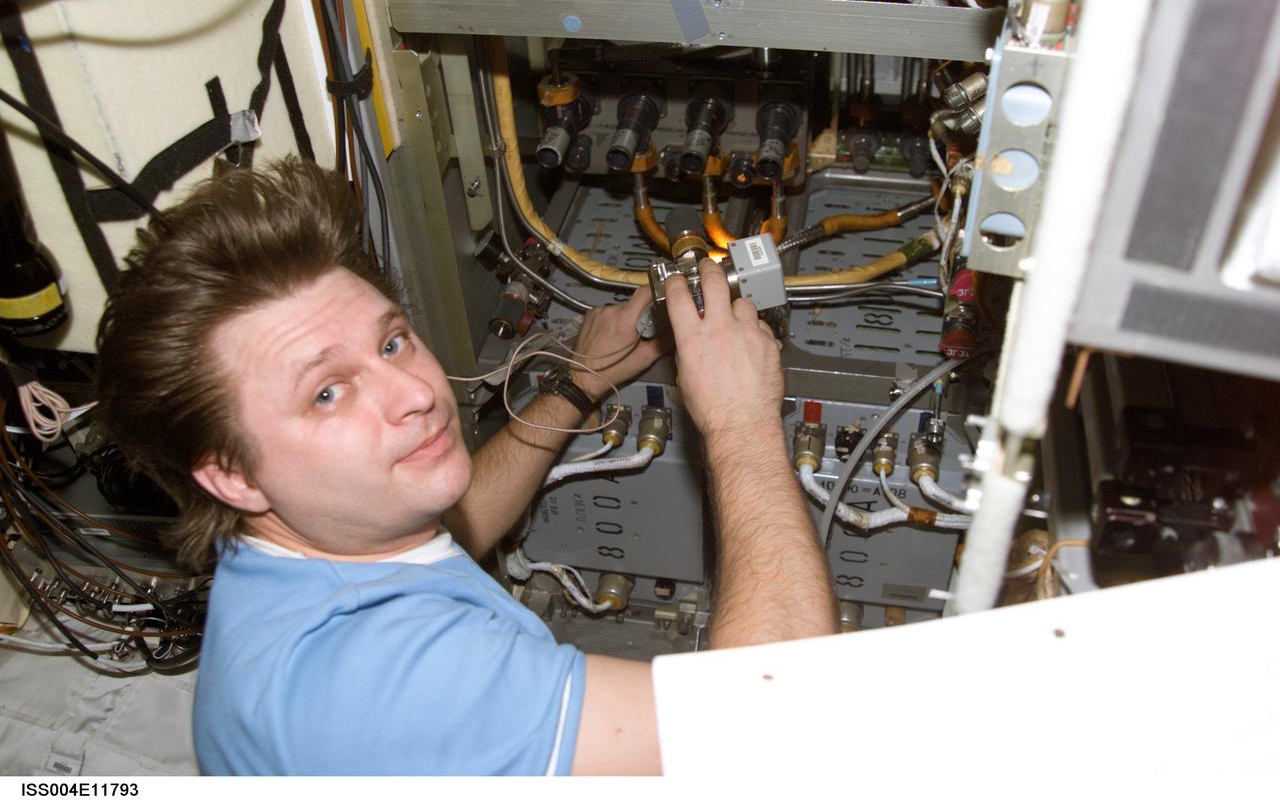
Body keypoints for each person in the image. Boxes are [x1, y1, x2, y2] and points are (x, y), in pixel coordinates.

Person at [95, 157, 836, 776]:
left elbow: (448, 524)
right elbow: (777, 723)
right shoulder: (400, 681)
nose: (416, 393)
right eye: (327, 393)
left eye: (390, 343)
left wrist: (580, 382)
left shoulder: (291, 550)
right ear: (231, 475)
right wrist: (740, 420)